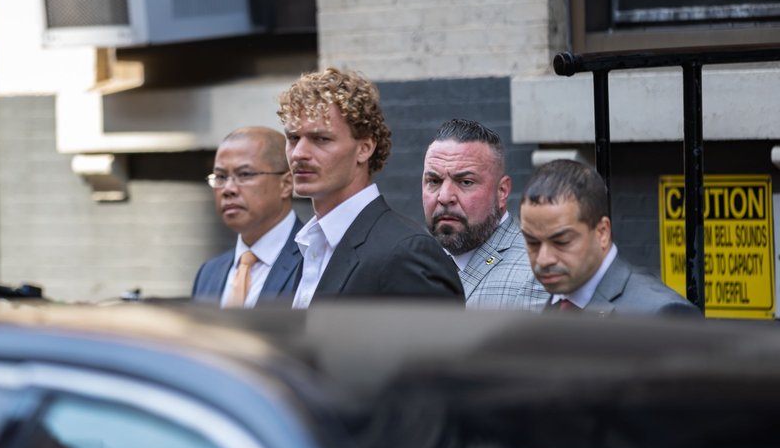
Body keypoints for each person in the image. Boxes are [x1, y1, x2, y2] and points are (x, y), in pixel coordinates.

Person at [277, 67, 463, 307]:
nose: (299, 153)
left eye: (321, 139)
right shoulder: (311, 245)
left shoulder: (406, 252)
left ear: (364, 148)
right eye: (293, 138)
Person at [520, 159, 699, 316]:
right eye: (532, 242)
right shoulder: (545, 303)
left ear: (602, 232)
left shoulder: (662, 314)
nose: (543, 260)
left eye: (562, 242)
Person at [422, 119, 549, 311]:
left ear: (502, 191)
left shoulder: (536, 276)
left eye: (465, 182)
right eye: (434, 181)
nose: (445, 197)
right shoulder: (411, 266)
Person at [192, 127, 302, 307]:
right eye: (220, 177)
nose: (228, 189)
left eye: (244, 174)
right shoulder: (208, 273)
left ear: (286, 184)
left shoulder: (314, 259)